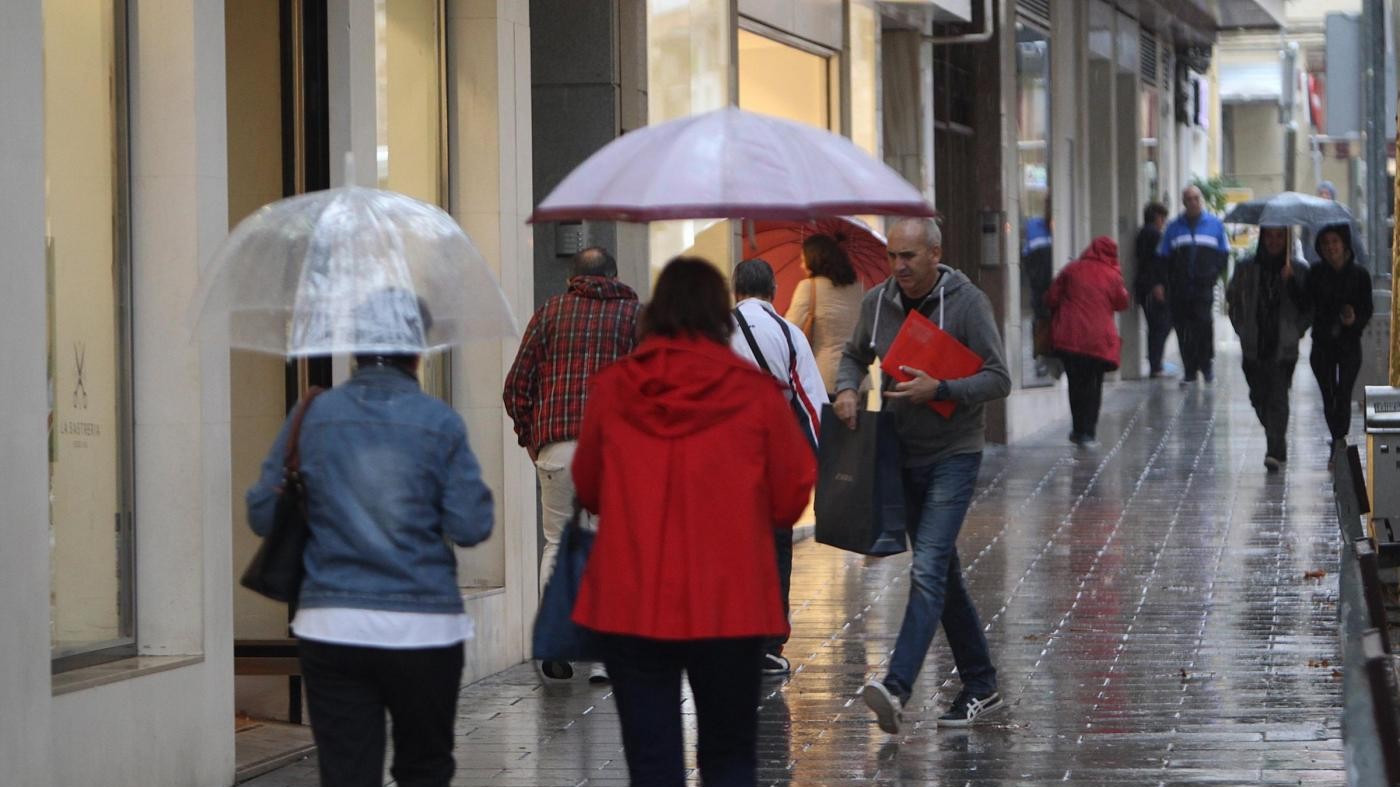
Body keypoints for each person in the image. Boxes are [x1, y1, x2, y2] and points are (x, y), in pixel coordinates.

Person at [571, 257, 816, 787]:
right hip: (730, 602)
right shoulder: (755, 393)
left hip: (633, 599)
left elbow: (588, 487)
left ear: (656, 313)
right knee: (729, 758)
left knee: (652, 760)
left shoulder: (614, 388)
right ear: (719, 315)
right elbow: (792, 493)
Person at [246, 312, 494, 787]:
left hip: (332, 623)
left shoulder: (312, 416)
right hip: (425, 628)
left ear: (354, 349)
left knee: (347, 772)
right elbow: (471, 525)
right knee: (425, 766)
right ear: (418, 352)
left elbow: (262, 514)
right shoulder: (440, 423)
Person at [834, 217, 1012, 732]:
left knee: (928, 569)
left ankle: (896, 687)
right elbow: (853, 355)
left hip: (953, 453)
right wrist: (847, 389)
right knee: (944, 576)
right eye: (893, 256)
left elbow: (998, 377)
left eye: (909, 256)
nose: (900, 267)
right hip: (898, 453)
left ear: (936, 253)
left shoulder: (967, 303)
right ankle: (982, 684)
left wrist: (942, 390)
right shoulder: (878, 302)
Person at [502, 246, 641, 683]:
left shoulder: (549, 313)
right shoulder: (634, 317)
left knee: (557, 544)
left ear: (570, 279)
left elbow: (515, 386)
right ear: (615, 276)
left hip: (557, 447)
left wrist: (532, 438)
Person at [730, 258, 827, 676]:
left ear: (735, 290)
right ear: (773, 291)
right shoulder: (788, 335)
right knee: (773, 547)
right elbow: (811, 403)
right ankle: (769, 645)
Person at [1226, 226, 1310, 472]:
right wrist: (1241, 328)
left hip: (1283, 345)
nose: (1273, 242)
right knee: (1258, 396)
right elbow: (1233, 300)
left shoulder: (1298, 269)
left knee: (1278, 394)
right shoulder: (1246, 267)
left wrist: (1291, 282)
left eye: (1279, 236)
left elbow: (1308, 306)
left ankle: (1275, 448)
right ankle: (1275, 432)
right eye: (1269, 236)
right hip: (1254, 343)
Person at [1046, 236, 1130, 447]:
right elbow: (1122, 303)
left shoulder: (1071, 269)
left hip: (1070, 336)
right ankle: (1089, 432)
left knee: (1076, 384)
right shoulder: (1112, 275)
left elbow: (1051, 298)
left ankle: (1077, 429)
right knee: (1094, 385)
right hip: (1098, 340)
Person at [1306, 222, 1373, 450]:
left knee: (1344, 393)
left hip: (1349, 344)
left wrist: (1354, 320)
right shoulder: (1315, 273)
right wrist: (1290, 282)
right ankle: (1337, 437)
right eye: (1325, 243)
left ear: (1344, 244)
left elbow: (1367, 308)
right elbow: (1304, 304)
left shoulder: (1359, 275)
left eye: (1335, 242)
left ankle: (1339, 439)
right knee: (1328, 394)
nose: (1330, 247)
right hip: (1322, 343)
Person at [1156, 185, 1230, 386]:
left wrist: (1213, 275)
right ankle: (1189, 370)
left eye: (1196, 198)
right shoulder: (1173, 228)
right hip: (1179, 289)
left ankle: (1206, 367)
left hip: (1203, 287)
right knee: (1183, 328)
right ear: (1183, 202)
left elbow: (1223, 254)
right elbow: (1163, 257)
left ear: (1201, 200)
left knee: (1204, 325)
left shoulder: (1215, 225)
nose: (1193, 202)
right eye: (1189, 199)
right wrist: (1163, 283)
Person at [785, 234, 866, 396]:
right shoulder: (859, 289)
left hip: (824, 379)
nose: (801, 265)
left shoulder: (809, 287)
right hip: (858, 381)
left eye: (803, 259)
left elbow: (788, 331)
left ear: (815, 259)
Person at [1132, 202, 1173, 377]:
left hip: (1145, 286)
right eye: (1162, 217)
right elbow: (1155, 263)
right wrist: (1158, 285)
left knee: (1157, 326)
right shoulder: (1154, 234)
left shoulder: (1144, 233)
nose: (1163, 221)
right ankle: (1156, 365)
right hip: (1152, 287)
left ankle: (1156, 363)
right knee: (1160, 325)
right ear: (1157, 217)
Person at [1301, 181, 1368, 268]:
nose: (1324, 196)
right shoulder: (1311, 216)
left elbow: (1355, 240)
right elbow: (1304, 239)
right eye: (1321, 193)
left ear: (1332, 196)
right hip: (1318, 262)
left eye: (1327, 194)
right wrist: (1308, 257)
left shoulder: (1343, 214)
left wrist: (1362, 261)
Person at [1022, 202, 1055, 375]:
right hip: (1042, 289)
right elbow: (1030, 260)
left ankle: (1048, 358)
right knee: (1041, 322)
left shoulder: (1061, 227)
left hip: (1052, 288)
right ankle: (1041, 358)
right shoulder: (1035, 227)